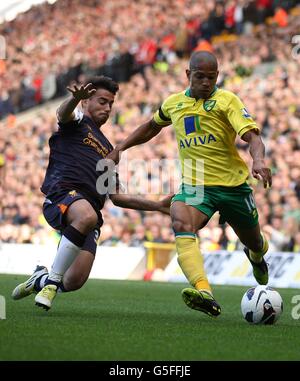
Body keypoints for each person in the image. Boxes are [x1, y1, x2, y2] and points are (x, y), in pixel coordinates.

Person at [107, 51, 272, 318]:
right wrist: (121, 147)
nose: (206, 82)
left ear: (217, 76)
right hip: (196, 186)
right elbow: (151, 126)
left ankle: (256, 255)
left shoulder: (227, 100)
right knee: (181, 222)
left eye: (211, 77)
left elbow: (252, 137)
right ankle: (204, 291)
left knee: (253, 241)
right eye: (200, 77)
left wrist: (259, 160)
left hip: (233, 187)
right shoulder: (174, 104)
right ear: (188, 75)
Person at [11, 76, 171, 310]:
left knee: (75, 280)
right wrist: (74, 99)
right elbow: (62, 114)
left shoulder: (109, 150)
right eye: (102, 101)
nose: (107, 108)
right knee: (86, 215)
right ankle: (52, 283)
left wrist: (156, 205)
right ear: (87, 102)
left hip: (89, 215)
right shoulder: (76, 122)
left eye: (110, 104)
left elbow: (116, 197)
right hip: (63, 196)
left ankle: (42, 279)